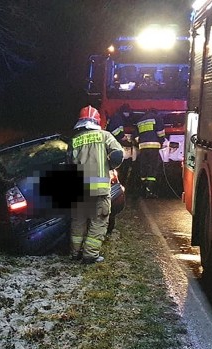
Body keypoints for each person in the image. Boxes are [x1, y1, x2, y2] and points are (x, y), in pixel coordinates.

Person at [68, 105, 124, 264]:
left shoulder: (74, 141)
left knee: (78, 221)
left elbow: (69, 163)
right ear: (97, 121)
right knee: (98, 220)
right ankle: (90, 255)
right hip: (99, 189)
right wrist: (110, 167)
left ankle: (75, 253)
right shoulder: (105, 136)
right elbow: (118, 154)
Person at [133, 108, 166, 198]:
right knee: (153, 167)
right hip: (154, 146)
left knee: (143, 166)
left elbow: (135, 135)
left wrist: (140, 141)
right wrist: (161, 141)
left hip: (143, 147)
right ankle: (149, 191)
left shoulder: (140, 121)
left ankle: (142, 189)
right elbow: (161, 133)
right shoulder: (156, 118)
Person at [105, 103, 137, 194]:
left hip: (114, 144)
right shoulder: (117, 118)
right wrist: (123, 138)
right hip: (114, 144)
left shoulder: (118, 117)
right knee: (118, 167)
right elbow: (115, 131)